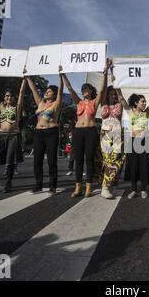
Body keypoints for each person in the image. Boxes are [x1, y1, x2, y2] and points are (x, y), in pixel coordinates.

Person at [62, 60, 110, 198]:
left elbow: (102, 90)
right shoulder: (78, 102)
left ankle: (88, 188)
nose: (84, 91)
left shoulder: (95, 102)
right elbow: (70, 88)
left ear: (90, 91)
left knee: (89, 159)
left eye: (86, 89)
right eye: (83, 89)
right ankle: (78, 188)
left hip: (90, 132)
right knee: (78, 160)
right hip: (78, 132)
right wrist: (63, 74)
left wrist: (105, 74)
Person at [25, 67, 63, 195]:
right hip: (38, 134)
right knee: (37, 160)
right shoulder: (40, 103)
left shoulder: (56, 104)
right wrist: (28, 76)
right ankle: (38, 185)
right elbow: (33, 89)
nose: (47, 92)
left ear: (54, 94)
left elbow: (61, 91)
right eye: (46, 91)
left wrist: (60, 75)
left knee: (52, 160)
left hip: (51, 132)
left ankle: (52, 186)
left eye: (50, 91)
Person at [118, 88, 149, 199]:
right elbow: (121, 98)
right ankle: (134, 190)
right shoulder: (130, 112)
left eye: (145, 101)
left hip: (144, 142)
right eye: (142, 101)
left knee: (144, 166)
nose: (145, 103)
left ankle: (144, 189)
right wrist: (117, 85)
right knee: (133, 166)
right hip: (133, 142)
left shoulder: (146, 113)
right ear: (136, 103)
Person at [99, 73, 126, 199]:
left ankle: (108, 185)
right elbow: (102, 91)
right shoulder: (102, 103)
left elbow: (121, 97)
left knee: (116, 160)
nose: (113, 96)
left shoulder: (119, 105)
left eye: (114, 94)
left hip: (116, 135)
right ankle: (106, 187)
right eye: (111, 94)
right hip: (105, 135)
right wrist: (106, 72)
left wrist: (117, 84)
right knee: (107, 160)